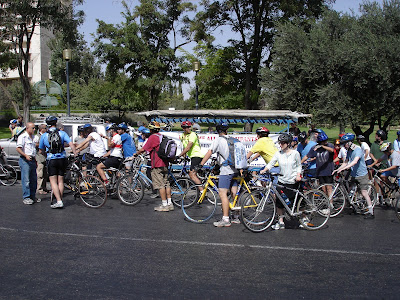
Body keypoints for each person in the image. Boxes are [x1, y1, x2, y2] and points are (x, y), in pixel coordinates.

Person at [199, 122, 239, 227]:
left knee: (222, 194)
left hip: (226, 170)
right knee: (234, 192)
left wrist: (201, 164)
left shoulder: (218, 140)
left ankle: (225, 219)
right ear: (226, 130)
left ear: (218, 131)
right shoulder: (232, 139)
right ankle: (236, 217)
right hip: (235, 169)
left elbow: (209, 152)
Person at [260, 133, 302, 230]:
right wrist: (264, 170)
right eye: (280, 143)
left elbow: (299, 166)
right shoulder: (278, 154)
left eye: (283, 143)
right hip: (282, 180)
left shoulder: (295, 153)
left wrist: (298, 175)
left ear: (288, 143)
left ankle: (304, 218)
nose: (280, 145)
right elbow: (271, 164)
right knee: (279, 202)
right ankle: (281, 221)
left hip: (293, 181)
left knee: (298, 201)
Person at [333, 133, 375, 219]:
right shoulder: (349, 151)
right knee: (350, 189)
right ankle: (353, 204)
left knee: (364, 192)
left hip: (361, 174)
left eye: (344, 144)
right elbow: (345, 162)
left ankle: (371, 211)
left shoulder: (358, 150)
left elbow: (354, 162)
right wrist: (338, 169)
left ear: (349, 143)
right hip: (353, 174)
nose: (344, 146)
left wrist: (344, 168)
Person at [39, 116, 77, 208]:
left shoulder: (44, 135)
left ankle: (59, 201)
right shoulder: (62, 133)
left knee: (53, 181)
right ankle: (59, 198)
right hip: (62, 158)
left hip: (51, 158)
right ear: (56, 123)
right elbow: (71, 144)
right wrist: (75, 153)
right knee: (60, 180)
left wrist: (45, 154)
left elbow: (41, 150)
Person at [134, 121, 172, 211]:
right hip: (165, 163)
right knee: (166, 183)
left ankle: (164, 205)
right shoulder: (162, 136)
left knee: (160, 185)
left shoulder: (152, 137)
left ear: (151, 130)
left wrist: (135, 154)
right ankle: (170, 203)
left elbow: (144, 149)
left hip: (157, 164)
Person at [301, 130, 335, 207]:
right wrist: (300, 163)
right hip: (320, 171)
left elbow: (332, 150)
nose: (325, 142)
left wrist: (323, 146)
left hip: (328, 170)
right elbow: (307, 156)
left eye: (326, 141)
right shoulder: (315, 148)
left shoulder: (329, 145)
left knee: (329, 188)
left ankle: (331, 204)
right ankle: (326, 202)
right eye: (323, 141)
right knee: (323, 189)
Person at [177, 121, 204, 193]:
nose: (188, 129)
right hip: (192, 156)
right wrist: (184, 157)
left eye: (189, 127)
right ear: (183, 128)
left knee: (192, 175)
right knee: (194, 175)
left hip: (197, 155)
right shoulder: (182, 135)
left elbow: (188, 147)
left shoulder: (193, 135)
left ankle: (202, 192)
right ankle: (200, 190)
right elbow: (184, 147)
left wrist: (179, 155)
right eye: (185, 127)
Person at [16, 122, 38, 205]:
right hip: (25, 160)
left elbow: (33, 149)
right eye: (32, 128)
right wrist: (25, 155)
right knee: (26, 180)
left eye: (34, 128)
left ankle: (32, 196)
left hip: (32, 159)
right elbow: (18, 148)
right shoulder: (22, 137)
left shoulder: (33, 137)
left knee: (33, 179)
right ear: (27, 128)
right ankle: (26, 197)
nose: (34, 129)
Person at [369, 129, 388, 201]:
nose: (375, 136)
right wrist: (375, 161)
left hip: (384, 164)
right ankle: (376, 196)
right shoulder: (374, 144)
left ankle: (384, 196)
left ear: (380, 136)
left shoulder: (386, 143)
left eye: (376, 135)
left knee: (383, 181)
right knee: (375, 181)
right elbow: (371, 153)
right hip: (376, 164)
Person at [35, 124, 49, 195]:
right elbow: (35, 144)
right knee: (40, 173)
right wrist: (42, 144)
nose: (47, 129)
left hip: (45, 157)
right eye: (45, 128)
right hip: (39, 157)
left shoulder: (46, 135)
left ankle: (44, 187)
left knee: (45, 173)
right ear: (41, 129)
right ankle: (39, 188)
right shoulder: (37, 136)